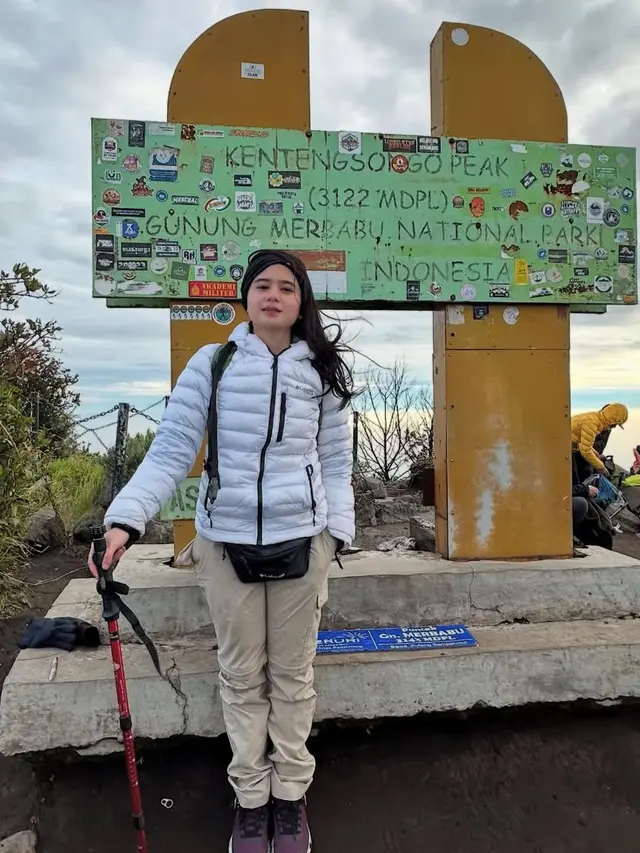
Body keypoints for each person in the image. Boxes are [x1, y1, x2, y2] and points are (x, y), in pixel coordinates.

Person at [89, 249, 356, 853]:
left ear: (301, 301)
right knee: (240, 678)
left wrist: (335, 534)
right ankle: (251, 798)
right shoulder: (211, 363)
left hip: (303, 543)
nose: (273, 295)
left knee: (292, 677)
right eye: (262, 285)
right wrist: (124, 522)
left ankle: (290, 798)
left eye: (286, 287)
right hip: (225, 544)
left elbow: (337, 463)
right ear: (245, 297)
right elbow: (170, 450)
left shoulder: (322, 371)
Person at [570, 402, 628, 485]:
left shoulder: (595, 420)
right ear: (611, 420)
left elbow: (581, 442)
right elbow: (585, 450)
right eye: (615, 424)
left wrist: (596, 454)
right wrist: (601, 467)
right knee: (573, 482)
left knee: (575, 480)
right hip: (562, 449)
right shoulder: (592, 423)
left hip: (569, 449)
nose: (614, 427)